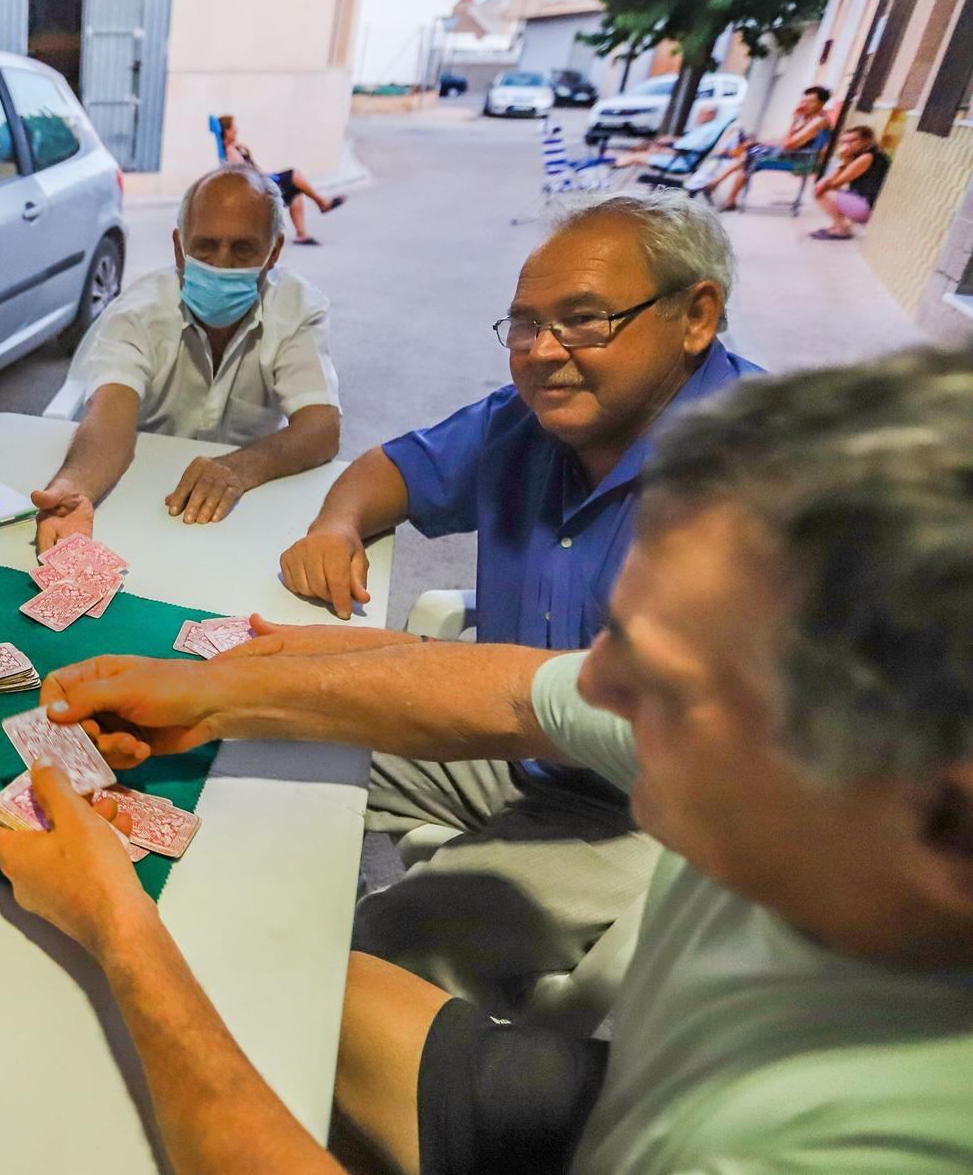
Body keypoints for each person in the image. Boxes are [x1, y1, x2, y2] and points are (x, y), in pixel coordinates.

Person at [0, 344, 973, 1173]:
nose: (594, 687)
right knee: (261, 974)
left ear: (938, 804)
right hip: (610, 1089)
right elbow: (514, 690)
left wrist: (120, 925)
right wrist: (214, 695)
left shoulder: (841, 1144)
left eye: (657, 677)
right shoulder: (808, 765)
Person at [276, 192, 760, 1016]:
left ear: (696, 315)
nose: (540, 353)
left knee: (376, 959)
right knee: (271, 752)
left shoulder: (770, 483)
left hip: (660, 819)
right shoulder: (532, 418)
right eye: (524, 325)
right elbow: (391, 468)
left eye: (583, 320)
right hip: (507, 745)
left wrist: (369, 678)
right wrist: (336, 522)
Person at [32, 166, 340, 552]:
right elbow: (110, 420)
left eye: (243, 249)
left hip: (247, 506)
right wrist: (73, 487)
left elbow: (321, 428)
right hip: (140, 494)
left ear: (274, 251)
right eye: (205, 246)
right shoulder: (137, 312)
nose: (221, 264)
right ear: (179, 248)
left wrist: (238, 468)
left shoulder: (297, 309)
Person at [218, 113, 347, 245]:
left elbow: (252, 169)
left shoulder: (235, 148)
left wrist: (247, 151)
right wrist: (238, 150)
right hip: (258, 186)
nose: (236, 130)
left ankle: (302, 234)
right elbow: (245, 173)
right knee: (294, 174)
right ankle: (322, 203)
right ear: (226, 132)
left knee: (295, 189)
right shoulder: (230, 150)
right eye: (232, 128)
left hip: (261, 181)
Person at [706, 84, 833, 211]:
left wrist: (766, 141)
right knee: (749, 153)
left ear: (821, 103)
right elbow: (788, 140)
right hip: (792, 152)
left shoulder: (818, 121)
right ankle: (724, 193)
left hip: (800, 157)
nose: (805, 104)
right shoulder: (809, 118)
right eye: (804, 101)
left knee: (749, 155)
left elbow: (789, 144)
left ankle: (720, 188)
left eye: (810, 102)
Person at [811, 123, 892, 241]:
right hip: (868, 204)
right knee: (827, 189)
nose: (847, 145)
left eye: (853, 141)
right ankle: (840, 226)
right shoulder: (869, 155)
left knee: (821, 192)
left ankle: (841, 229)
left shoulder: (867, 157)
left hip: (868, 208)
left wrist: (842, 159)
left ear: (867, 140)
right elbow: (835, 181)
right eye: (844, 142)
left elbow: (835, 183)